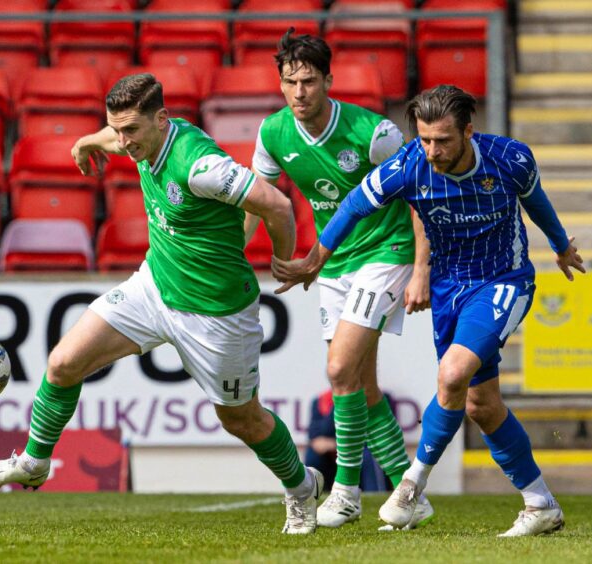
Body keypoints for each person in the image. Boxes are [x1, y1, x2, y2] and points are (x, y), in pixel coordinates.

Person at [0, 73, 324, 535]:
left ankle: (301, 488)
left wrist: (285, 260)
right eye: (118, 129)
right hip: (153, 286)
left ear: (162, 119)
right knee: (63, 363)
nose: (124, 140)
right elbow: (113, 139)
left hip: (216, 313)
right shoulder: (136, 138)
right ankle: (35, 462)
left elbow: (274, 203)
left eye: (132, 130)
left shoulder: (200, 165)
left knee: (240, 418)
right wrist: (88, 141)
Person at [272, 84, 586, 536]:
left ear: (468, 132)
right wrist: (315, 260)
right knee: (480, 403)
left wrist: (560, 246)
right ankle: (540, 503)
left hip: (502, 281)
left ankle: (410, 485)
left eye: (443, 140)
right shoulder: (410, 166)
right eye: (425, 139)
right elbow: (354, 205)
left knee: (452, 375)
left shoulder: (509, 159)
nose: (433, 151)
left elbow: (535, 201)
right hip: (447, 289)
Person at [247, 28, 434, 530]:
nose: (299, 92)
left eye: (309, 81)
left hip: (385, 252)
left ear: (329, 80)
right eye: (290, 82)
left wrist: (420, 268)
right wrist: (237, 252)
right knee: (362, 386)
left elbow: (419, 197)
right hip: (333, 263)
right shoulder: (273, 133)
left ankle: (346, 491)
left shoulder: (373, 133)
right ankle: (406, 492)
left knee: (337, 370)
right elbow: (258, 199)